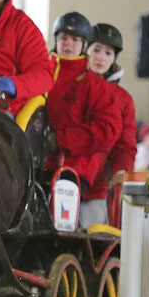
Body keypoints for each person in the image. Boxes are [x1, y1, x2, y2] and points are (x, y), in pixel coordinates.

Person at [44, 12, 121, 228]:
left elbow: (107, 130)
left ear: (83, 44)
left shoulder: (95, 85)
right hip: (36, 162)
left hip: (75, 167)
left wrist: (62, 140)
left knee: (61, 225)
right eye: (64, 38)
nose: (68, 44)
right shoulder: (40, 74)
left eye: (75, 40)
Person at [82, 23, 136, 225]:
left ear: (114, 59)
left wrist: (121, 172)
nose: (100, 58)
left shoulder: (123, 100)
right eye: (96, 50)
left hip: (96, 189)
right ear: (85, 50)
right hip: (59, 179)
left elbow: (126, 145)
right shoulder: (68, 86)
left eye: (108, 53)